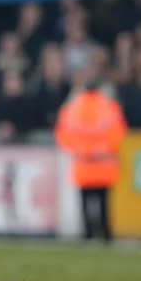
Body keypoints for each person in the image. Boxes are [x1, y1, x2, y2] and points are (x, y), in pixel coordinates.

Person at [55, 78, 127, 242]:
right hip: (104, 163)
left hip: (83, 163)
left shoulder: (73, 107)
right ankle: (106, 234)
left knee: (85, 201)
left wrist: (79, 149)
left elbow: (62, 134)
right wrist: (103, 149)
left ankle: (87, 233)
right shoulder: (109, 106)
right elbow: (119, 132)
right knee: (103, 201)